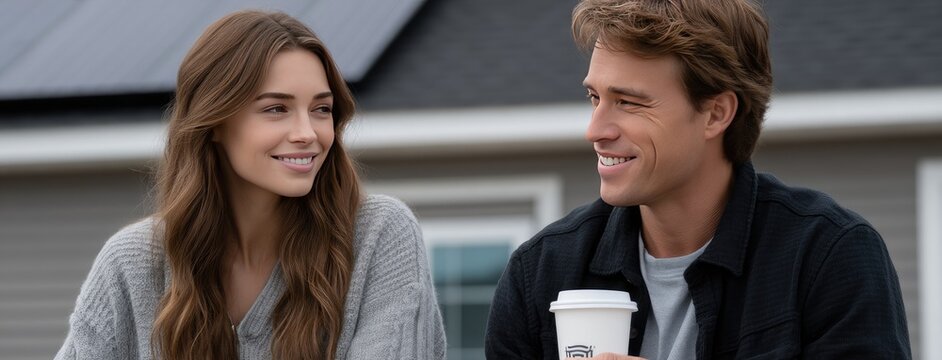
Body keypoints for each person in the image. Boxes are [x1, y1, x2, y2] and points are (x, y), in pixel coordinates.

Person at [485, 0, 911, 359]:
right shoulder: (540, 273)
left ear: (716, 114)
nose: (595, 129)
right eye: (595, 98)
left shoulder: (828, 256)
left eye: (629, 103)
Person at [55, 10, 445, 360]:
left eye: (321, 109)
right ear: (214, 123)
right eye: (276, 109)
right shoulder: (133, 263)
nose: (307, 133)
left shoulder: (379, 236)